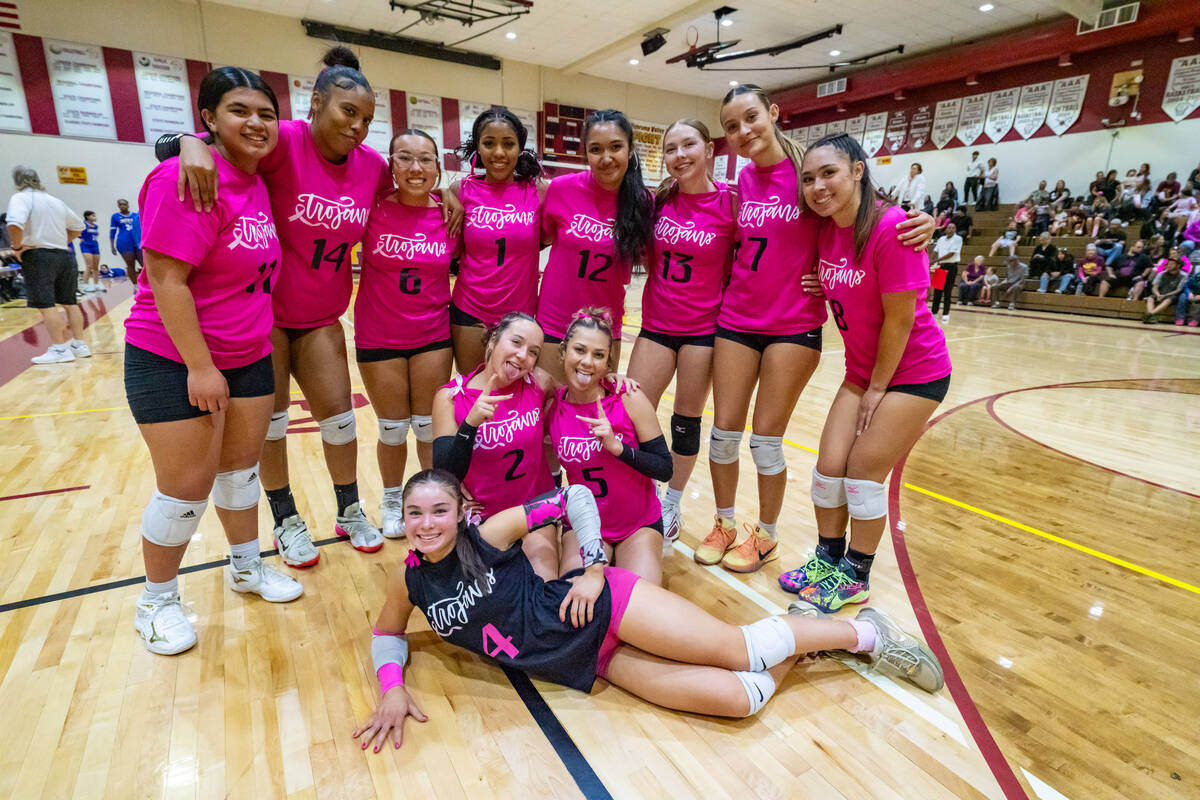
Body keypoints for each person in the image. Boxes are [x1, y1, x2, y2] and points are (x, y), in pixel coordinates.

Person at [352, 469, 944, 752]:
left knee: (746, 650)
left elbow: (576, 497)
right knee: (743, 699)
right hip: (586, 662)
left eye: (438, 511)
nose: (425, 525)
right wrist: (392, 688)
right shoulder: (410, 582)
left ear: (461, 512)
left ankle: (866, 633)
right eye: (414, 514)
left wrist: (588, 566)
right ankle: (807, 634)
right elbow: (386, 635)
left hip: (603, 606)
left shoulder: (491, 534)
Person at [160, 46, 396, 565]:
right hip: (261, 319)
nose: (357, 126)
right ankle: (286, 518)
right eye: (346, 112)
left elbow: (408, 194)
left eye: (366, 119)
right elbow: (225, 141)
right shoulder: (282, 141)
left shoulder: (374, 168)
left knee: (340, 422)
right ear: (315, 104)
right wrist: (185, 144)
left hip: (321, 317)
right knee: (272, 425)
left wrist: (446, 198)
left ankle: (349, 509)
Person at [700, 83, 933, 574]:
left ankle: (765, 536)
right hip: (737, 320)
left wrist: (922, 221)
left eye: (751, 117)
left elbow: (867, 214)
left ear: (774, 113)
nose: (744, 131)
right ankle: (724, 524)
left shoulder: (811, 172)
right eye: (731, 126)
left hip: (794, 326)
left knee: (766, 441)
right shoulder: (742, 181)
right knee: (723, 436)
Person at [124, 66, 302, 656]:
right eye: (238, 111)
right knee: (184, 490)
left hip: (248, 355)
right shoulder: (186, 178)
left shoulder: (252, 178)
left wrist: (191, 141)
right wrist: (201, 367)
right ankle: (156, 600)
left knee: (239, 472)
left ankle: (246, 567)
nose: (255, 123)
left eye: (265, 113)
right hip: (174, 359)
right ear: (207, 118)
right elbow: (166, 279)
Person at [779, 132, 952, 612]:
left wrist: (877, 389)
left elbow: (899, 320)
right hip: (862, 372)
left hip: (913, 374)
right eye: (809, 178)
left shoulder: (892, 227)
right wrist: (819, 281)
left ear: (858, 170)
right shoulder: (825, 229)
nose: (817, 186)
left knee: (861, 473)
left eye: (828, 173)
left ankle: (856, 572)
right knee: (827, 469)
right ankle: (827, 559)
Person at [626, 118, 734, 546]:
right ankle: (639, 492)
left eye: (689, 145)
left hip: (703, 332)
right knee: (631, 415)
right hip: (656, 325)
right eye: (671, 148)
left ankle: (670, 502)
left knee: (685, 425)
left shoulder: (733, 205)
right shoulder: (657, 203)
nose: (680, 155)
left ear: (709, 149)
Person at [354, 129, 458, 542]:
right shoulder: (371, 207)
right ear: (391, 164)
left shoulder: (451, 214)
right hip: (379, 334)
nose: (416, 168)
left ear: (438, 166)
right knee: (392, 428)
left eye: (426, 159)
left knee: (428, 428)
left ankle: (431, 503)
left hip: (433, 333)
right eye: (405, 158)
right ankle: (394, 501)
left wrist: (450, 194)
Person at [549, 310, 672, 584]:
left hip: (637, 525)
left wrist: (618, 448)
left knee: (640, 611)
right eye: (579, 350)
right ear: (563, 351)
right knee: (574, 606)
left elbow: (665, 468)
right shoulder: (552, 404)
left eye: (598, 355)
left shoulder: (629, 399)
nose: (587, 362)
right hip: (585, 523)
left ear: (608, 363)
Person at [433, 312, 558, 578]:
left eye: (533, 351)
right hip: (484, 519)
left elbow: (578, 397)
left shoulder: (539, 383)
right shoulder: (451, 397)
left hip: (534, 510)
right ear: (492, 341)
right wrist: (470, 423)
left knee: (543, 591)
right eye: (516, 342)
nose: (523, 355)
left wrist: (612, 380)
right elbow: (444, 472)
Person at [536, 109, 653, 381]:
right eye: (596, 149)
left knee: (593, 415)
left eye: (616, 147)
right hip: (555, 323)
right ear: (585, 153)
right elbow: (540, 240)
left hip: (605, 328)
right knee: (549, 409)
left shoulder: (644, 202)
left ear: (630, 149)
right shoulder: (561, 189)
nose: (606, 158)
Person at [447, 109, 544, 373]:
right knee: (473, 392)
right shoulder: (460, 191)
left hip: (520, 316)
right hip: (470, 310)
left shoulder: (538, 191)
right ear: (477, 146)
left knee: (513, 398)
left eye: (508, 143)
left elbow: (546, 237)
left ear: (520, 148)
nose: (498, 153)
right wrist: (443, 192)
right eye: (489, 143)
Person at [5, 166, 89, 364]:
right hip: (65, 256)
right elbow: (79, 227)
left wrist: (17, 248)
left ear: (17, 181)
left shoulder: (20, 198)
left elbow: (14, 224)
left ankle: (60, 349)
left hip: (38, 256)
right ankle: (79, 345)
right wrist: (61, 241)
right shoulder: (55, 200)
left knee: (47, 305)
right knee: (70, 302)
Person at [929, 222, 961, 322]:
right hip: (940, 267)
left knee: (948, 290)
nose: (951, 229)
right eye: (949, 227)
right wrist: (930, 261)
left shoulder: (958, 239)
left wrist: (936, 261)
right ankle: (934, 312)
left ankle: (945, 313)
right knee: (937, 291)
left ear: (955, 230)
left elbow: (951, 254)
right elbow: (935, 250)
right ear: (946, 229)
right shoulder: (941, 239)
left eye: (953, 228)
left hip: (951, 266)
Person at [109, 198, 142, 282]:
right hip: (124, 243)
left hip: (137, 241)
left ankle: (148, 285)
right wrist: (112, 246)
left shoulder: (135, 215)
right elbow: (112, 232)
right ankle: (135, 286)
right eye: (120, 204)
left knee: (144, 264)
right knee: (130, 264)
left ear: (128, 205)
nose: (122, 206)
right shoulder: (115, 216)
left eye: (124, 204)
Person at [1144, 256, 1184, 323]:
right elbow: (1155, 287)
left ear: (1178, 265)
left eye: (1172, 264)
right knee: (1150, 298)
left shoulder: (1183, 276)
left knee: (1168, 300)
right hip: (1160, 293)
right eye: (1168, 264)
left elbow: (1178, 289)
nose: (1169, 265)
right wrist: (1158, 294)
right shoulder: (1161, 274)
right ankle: (1151, 315)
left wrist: (1165, 295)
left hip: (1172, 294)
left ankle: (1150, 314)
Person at [78, 210, 103, 292]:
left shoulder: (96, 226)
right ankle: (85, 285)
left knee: (96, 267)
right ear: (87, 216)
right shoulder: (83, 225)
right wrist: (81, 238)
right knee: (89, 265)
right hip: (86, 246)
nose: (95, 217)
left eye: (95, 215)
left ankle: (96, 284)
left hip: (95, 246)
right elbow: (77, 233)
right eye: (93, 215)